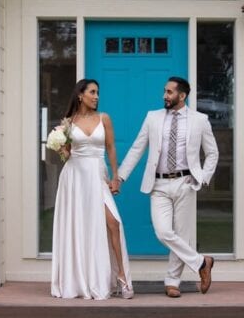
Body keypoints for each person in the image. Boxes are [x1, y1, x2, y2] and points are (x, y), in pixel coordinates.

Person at [115, 77, 219, 298]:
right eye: (165, 91)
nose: (165, 95)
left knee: (182, 233)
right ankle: (202, 262)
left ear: (182, 96)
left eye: (170, 92)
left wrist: (203, 178)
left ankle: (173, 281)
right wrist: (120, 177)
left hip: (186, 182)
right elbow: (137, 148)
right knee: (164, 232)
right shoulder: (153, 118)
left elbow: (212, 153)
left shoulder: (200, 120)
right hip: (159, 183)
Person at [50, 79, 133, 300]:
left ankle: (122, 277)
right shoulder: (68, 123)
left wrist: (115, 177)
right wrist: (59, 146)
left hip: (97, 175)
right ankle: (80, 279)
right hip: (74, 177)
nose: (96, 96)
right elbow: (66, 155)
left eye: (98, 93)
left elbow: (111, 148)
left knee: (113, 223)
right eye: (92, 92)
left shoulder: (103, 118)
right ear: (80, 95)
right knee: (79, 226)